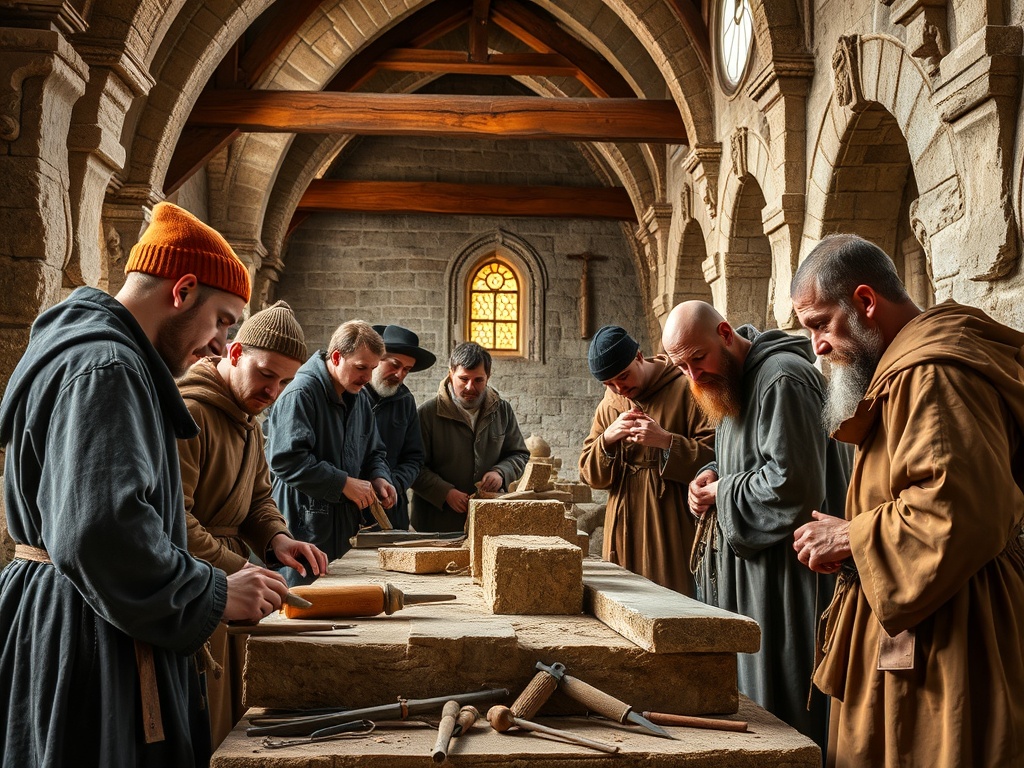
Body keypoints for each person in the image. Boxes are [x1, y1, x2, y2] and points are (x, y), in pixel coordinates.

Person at [0, 202, 289, 767]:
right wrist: (211, 593)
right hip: (89, 633)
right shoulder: (108, 367)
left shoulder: (103, 355)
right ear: (182, 291)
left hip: (80, 614)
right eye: (224, 319)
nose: (218, 343)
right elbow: (100, 531)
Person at [790, 234, 1024, 767]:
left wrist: (851, 534)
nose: (819, 347)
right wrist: (854, 542)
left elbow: (957, 511)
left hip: (955, 633)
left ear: (866, 302)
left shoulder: (932, 373)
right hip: (920, 612)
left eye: (821, 324)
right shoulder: (906, 368)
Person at [662, 301, 850, 750]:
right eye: (681, 366)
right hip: (755, 578)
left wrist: (722, 492)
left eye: (697, 359)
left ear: (725, 333)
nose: (693, 376)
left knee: (785, 710)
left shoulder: (781, 379)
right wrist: (710, 472)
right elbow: (749, 460)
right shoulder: (732, 380)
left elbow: (792, 484)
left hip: (790, 582)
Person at [177, 300, 328, 747]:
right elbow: (174, 520)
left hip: (228, 584)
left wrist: (278, 539)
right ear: (235, 352)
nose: (273, 391)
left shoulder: (248, 422)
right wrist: (237, 569)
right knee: (200, 722)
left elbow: (259, 499)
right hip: (194, 590)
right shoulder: (190, 413)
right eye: (266, 374)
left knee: (232, 723)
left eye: (284, 381)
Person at [578, 325, 715, 595]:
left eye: (623, 376)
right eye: (609, 384)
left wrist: (665, 441)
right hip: (622, 519)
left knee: (672, 599)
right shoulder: (611, 402)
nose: (619, 387)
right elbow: (588, 473)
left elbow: (715, 456)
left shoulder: (686, 388)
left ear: (639, 356)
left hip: (669, 520)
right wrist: (607, 439)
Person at [264, 320, 396, 582]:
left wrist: (380, 477)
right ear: (336, 357)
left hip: (341, 531)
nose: (368, 378)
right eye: (360, 367)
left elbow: (374, 452)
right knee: (301, 607)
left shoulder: (359, 397)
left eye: (372, 369)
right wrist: (343, 483)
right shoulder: (301, 394)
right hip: (302, 528)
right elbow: (286, 460)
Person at [412, 341, 529, 532]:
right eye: (463, 378)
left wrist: (500, 473)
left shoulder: (502, 410)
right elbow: (413, 466)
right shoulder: (427, 413)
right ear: (451, 374)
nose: (469, 387)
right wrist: (445, 492)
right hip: (435, 525)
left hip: (489, 522)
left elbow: (519, 455)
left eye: (478, 380)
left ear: (488, 377)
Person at [361, 324, 435, 530]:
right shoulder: (352, 393)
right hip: (350, 509)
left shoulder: (405, 401)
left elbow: (414, 458)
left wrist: (393, 484)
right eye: (394, 365)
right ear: (376, 359)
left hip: (391, 510)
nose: (399, 374)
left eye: (407, 370)